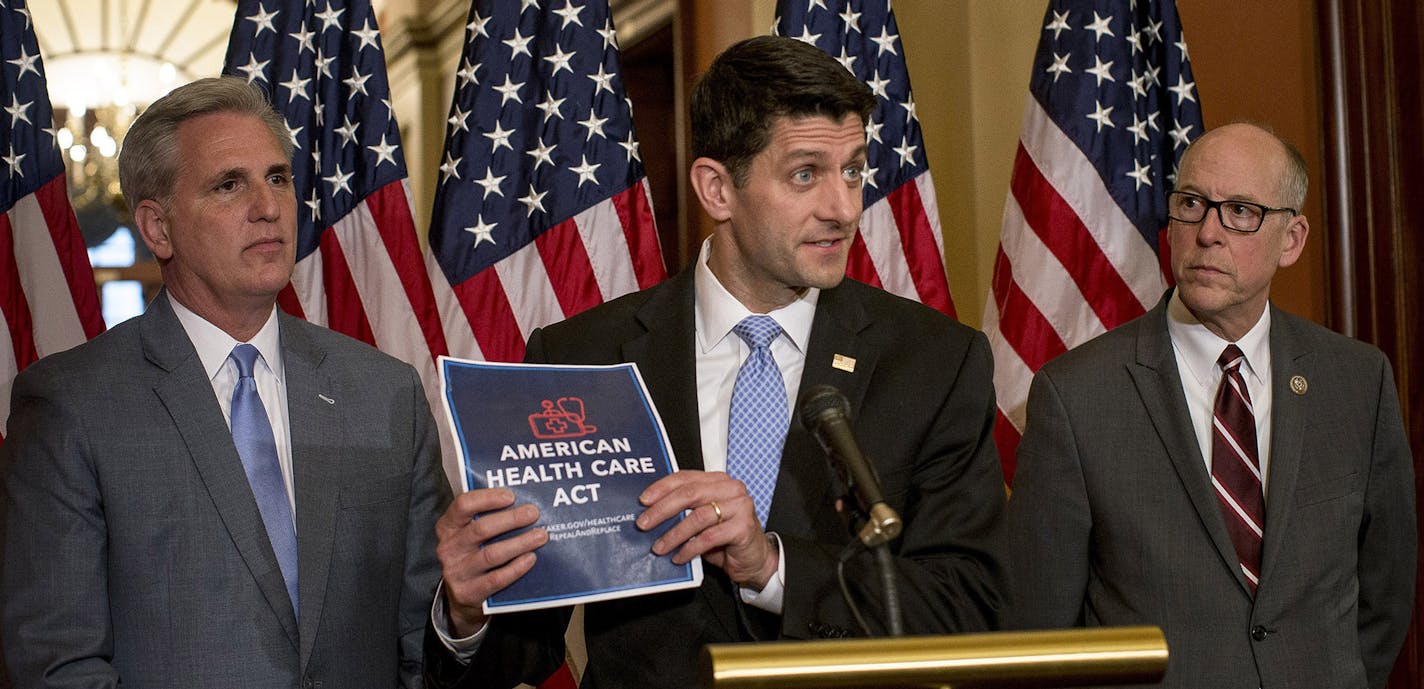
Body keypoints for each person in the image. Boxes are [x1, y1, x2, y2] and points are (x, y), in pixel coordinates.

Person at [424, 35, 1007, 688]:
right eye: (806, 174)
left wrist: (773, 565)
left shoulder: (934, 360)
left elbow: (973, 602)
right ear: (717, 189)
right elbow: (521, 650)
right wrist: (468, 608)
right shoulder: (581, 356)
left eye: (853, 170)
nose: (845, 208)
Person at [0, 77, 451, 688]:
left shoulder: (385, 391)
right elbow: (58, 663)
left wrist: (465, 617)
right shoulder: (70, 405)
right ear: (157, 229)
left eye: (278, 178)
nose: (267, 206)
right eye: (228, 184)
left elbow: (428, 642)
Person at [1005, 122, 1416, 688]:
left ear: (1291, 240)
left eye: (1241, 211)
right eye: (1192, 204)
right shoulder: (1076, 395)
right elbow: (1040, 632)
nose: (1208, 233)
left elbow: (1384, 596)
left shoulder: (1357, 381)